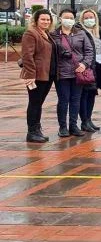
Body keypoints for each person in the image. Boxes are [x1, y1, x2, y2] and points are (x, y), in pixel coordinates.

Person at [52, 8, 94, 137]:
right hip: (62, 73)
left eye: (71, 18)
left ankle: (73, 126)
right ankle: (62, 127)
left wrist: (84, 64)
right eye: (66, 17)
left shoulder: (81, 33)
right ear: (60, 19)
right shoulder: (54, 35)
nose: (68, 20)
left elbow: (89, 51)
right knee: (63, 100)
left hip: (78, 72)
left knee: (76, 100)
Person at [21, 9, 57, 143]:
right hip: (36, 75)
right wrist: (30, 74)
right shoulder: (31, 33)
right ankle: (31, 132)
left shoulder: (47, 34)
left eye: (48, 19)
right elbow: (27, 55)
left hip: (47, 74)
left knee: (39, 103)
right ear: (36, 20)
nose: (46, 22)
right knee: (34, 103)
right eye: (43, 19)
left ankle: (37, 130)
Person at [78, 9, 101, 132]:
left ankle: (89, 119)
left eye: (91, 17)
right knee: (84, 94)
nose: (89, 20)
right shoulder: (80, 32)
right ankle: (84, 121)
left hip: (97, 67)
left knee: (92, 94)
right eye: (86, 18)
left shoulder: (98, 31)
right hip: (86, 67)